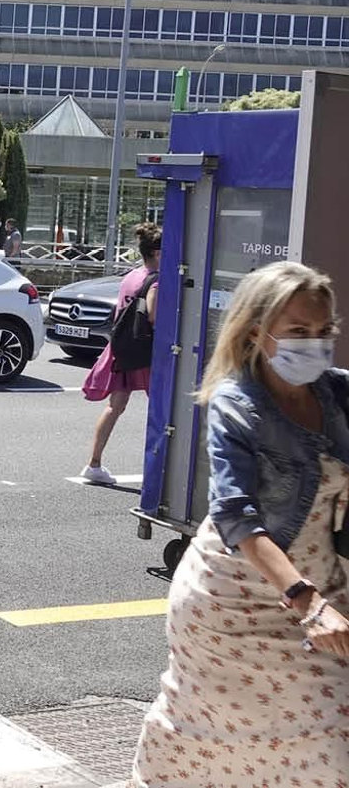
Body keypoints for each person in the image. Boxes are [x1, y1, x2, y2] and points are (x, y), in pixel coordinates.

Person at [130, 261, 349, 785]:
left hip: (325, 592)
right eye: (298, 332)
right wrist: (306, 600)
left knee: (330, 737)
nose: (314, 344)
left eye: (324, 331)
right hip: (234, 603)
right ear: (258, 333)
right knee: (212, 738)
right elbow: (235, 514)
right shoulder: (238, 402)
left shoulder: (339, 395)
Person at [79, 223, 162, 484]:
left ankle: (93, 464)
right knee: (162, 409)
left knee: (115, 406)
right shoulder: (156, 280)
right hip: (147, 352)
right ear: (158, 253)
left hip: (124, 348)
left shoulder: (131, 275)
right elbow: (153, 315)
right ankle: (159, 469)